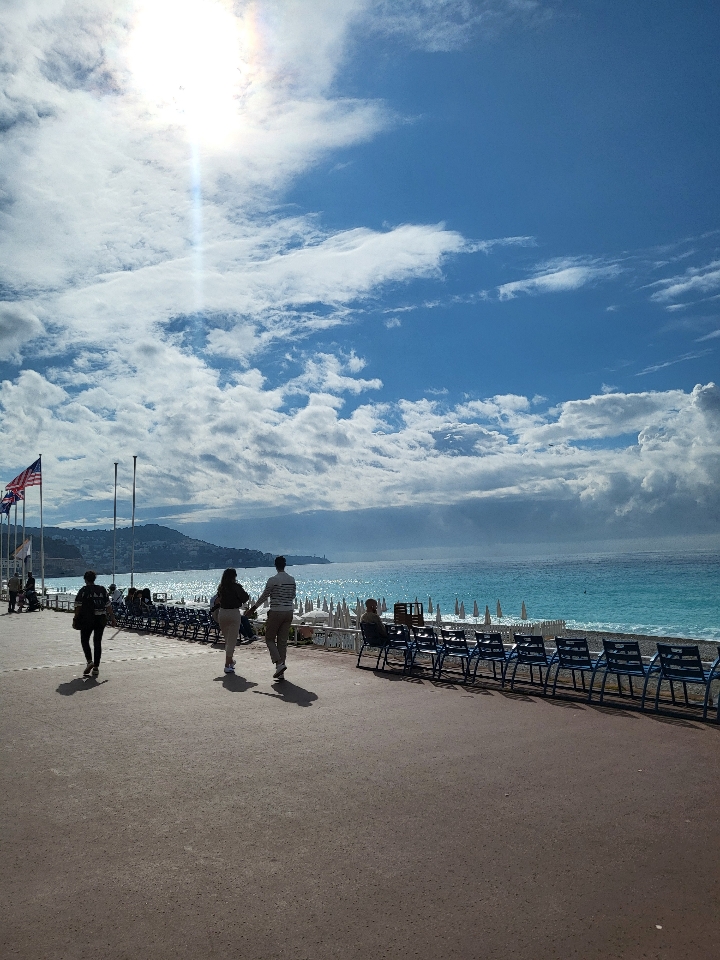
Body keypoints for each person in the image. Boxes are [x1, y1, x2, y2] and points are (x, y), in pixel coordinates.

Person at [247, 556, 296, 680]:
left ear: (275, 565)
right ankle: (281, 671)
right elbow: (293, 595)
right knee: (282, 642)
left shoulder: (272, 580)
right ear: (285, 565)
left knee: (269, 638)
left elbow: (264, 596)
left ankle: (279, 664)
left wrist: (253, 609)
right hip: (289, 611)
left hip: (276, 611)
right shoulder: (291, 580)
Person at [74, 570, 116, 678]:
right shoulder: (102, 590)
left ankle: (89, 661)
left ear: (85, 579)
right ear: (94, 579)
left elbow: (78, 606)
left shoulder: (83, 590)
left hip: (87, 619)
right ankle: (96, 668)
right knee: (97, 642)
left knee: (84, 640)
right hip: (101, 618)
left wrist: (75, 618)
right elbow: (108, 605)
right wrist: (112, 618)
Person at [216, 568, 251, 675]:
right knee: (232, 640)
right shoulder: (236, 587)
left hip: (222, 613)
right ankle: (227, 665)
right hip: (233, 613)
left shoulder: (221, 587)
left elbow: (219, 599)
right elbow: (245, 598)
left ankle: (230, 661)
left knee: (228, 639)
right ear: (234, 576)